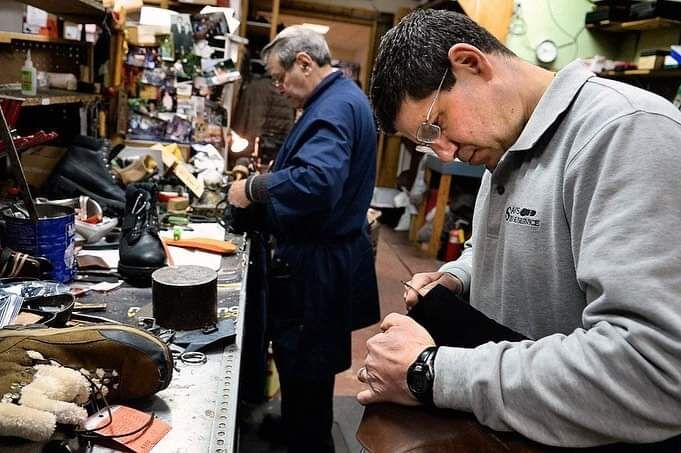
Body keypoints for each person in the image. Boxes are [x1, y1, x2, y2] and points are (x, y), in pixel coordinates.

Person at [357, 8, 681, 448]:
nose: (446, 154)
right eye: (427, 143)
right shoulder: (504, 144)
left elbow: (651, 370)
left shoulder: (626, 133)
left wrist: (429, 372)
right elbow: (503, 241)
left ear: (470, 62)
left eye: (438, 126)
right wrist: (460, 274)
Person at [228, 25, 379, 452]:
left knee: (308, 360)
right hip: (323, 256)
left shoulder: (332, 108)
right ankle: (298, 428)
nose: (278, 88)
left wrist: (255, 187)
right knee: (302, 362)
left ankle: (309, 442)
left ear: (306, 63)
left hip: (317, 264)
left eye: (279, 78)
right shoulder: (339, 98)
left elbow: (317, 181)